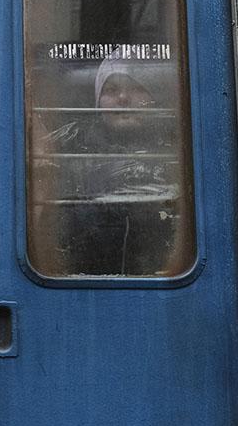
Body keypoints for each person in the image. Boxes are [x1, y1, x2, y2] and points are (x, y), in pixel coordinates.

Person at [31, 48, 188, 277]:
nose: (123, 99)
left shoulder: (176, 149)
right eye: (111, 90)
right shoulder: (68, 151)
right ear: (98, 100)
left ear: (154, 99)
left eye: (136, 88)